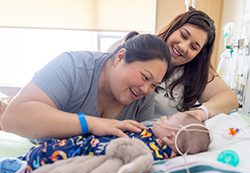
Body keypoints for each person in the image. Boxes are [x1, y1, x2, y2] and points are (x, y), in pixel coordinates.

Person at [1, 34, 171, 139]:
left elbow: (144, 143)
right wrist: (91, 123)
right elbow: (12, 119)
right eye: (145, 77)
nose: (145, 90)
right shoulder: (73, 65)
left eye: (153, 85)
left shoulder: (144, 98)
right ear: (120, 57)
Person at [0, 112, 210, 173]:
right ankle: (25, 160)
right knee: (52, 146)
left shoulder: (154, 151)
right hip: (84, 142)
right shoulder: (150, 134)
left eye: (169, 118)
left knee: (51, 158)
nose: (163, 117)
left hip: (86, 154)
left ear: (171, 136)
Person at [107, 10, 239, 122]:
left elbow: (230, 100)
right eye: (183, 35)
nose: (183, 47)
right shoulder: (136, 44)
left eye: (193, 47)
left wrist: (200, 113)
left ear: (199, 54)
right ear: (173, 27)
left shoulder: (195, 73)